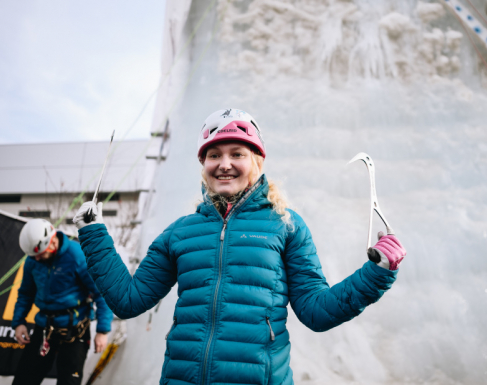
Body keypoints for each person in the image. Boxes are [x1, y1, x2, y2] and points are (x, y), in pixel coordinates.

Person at [73, 108, 406, 385]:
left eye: (237, 154)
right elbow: (129, 300)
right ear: (203, 165)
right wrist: (93, 233)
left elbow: (317, 311)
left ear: (257, 161)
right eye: (213, 154)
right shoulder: (181, 232)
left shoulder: (286, 226)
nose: (224, 163)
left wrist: (376, 274)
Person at [12, 218, 113, 385]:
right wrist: (18, 322)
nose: (36, 259)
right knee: (24, 379)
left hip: (75, 330)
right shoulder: (33, 260)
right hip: (44, 328)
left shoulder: (77, 255)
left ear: (51, 243)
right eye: (33, 256)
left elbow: (101, 293)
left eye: (39, 255)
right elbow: (25, 293)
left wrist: (102, 331)